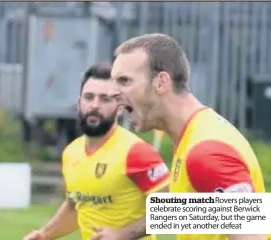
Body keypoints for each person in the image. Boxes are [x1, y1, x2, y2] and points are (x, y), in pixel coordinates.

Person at [111, 33, 267, 240]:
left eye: (124, 81)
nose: (113, 92)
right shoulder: (195, 132)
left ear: (161, 82)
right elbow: (204, 210)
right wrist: (123, 234)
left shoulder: (205, 152)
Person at [23, 63, 170, 240]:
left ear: (120, 106)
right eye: (89, 97)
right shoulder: (71, 153)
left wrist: (122, 234)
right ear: (79, 103)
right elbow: (77, 205)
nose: (95, 105)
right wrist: (44, 234)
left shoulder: (136, 152)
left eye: (105, 99)